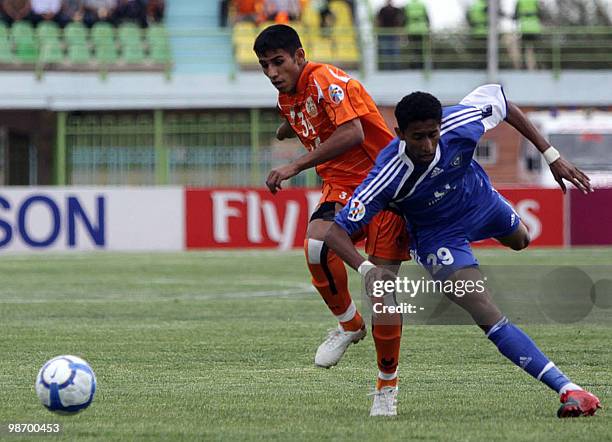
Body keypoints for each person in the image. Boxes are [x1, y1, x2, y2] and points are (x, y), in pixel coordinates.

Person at [324, 84, 601, 417]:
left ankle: (501, 219)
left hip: (480, 200)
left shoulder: (462, 122)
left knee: (521, 240)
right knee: (482, 307)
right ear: (399, 134)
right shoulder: (387, 175)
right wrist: (367, 270)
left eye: (432, 134)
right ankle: (569, 389)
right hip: (438, 235)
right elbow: (335, 231)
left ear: (442, 125)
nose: (427, 145)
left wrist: (551, 155)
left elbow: (502, 103)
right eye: (417, 137)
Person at [253, 25, 410, 389]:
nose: (272, 73)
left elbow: (352, 133)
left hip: (382, 183)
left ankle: (387, 385)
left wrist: (294, 164)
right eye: (264, 66)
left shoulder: (326, 78)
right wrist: (285, 129)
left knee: (384, 293)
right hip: (340, 187)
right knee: (315, 247)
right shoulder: (287, 98)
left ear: (300, 57)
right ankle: (350, 325)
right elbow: (300, 117)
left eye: (278, 62)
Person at [376, 0, 405, 71]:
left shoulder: (396, 10)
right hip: (385, 34)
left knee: (394, 52)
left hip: (393, 34)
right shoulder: (382, 10)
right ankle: (387, 69)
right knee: (387, 52)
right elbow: (378, 21)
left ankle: (395, 69)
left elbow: (400, 21)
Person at [514, 0, 542, 70]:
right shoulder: (535, 1)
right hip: (535, 29)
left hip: (525, 29)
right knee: (536, 50)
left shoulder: (520, 2)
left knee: (523, 50)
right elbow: (541, 14)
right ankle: (538, 66)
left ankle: (523, 66)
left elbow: (515, 16)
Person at [404, 0, 429, 69]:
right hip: (422, 30)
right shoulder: (422, 4)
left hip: (411, 30)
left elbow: (405, 19)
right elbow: (427, 18)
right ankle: (422, 66)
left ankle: (414, 66)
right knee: (422, 50)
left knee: (414, 50)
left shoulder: (408, 5)